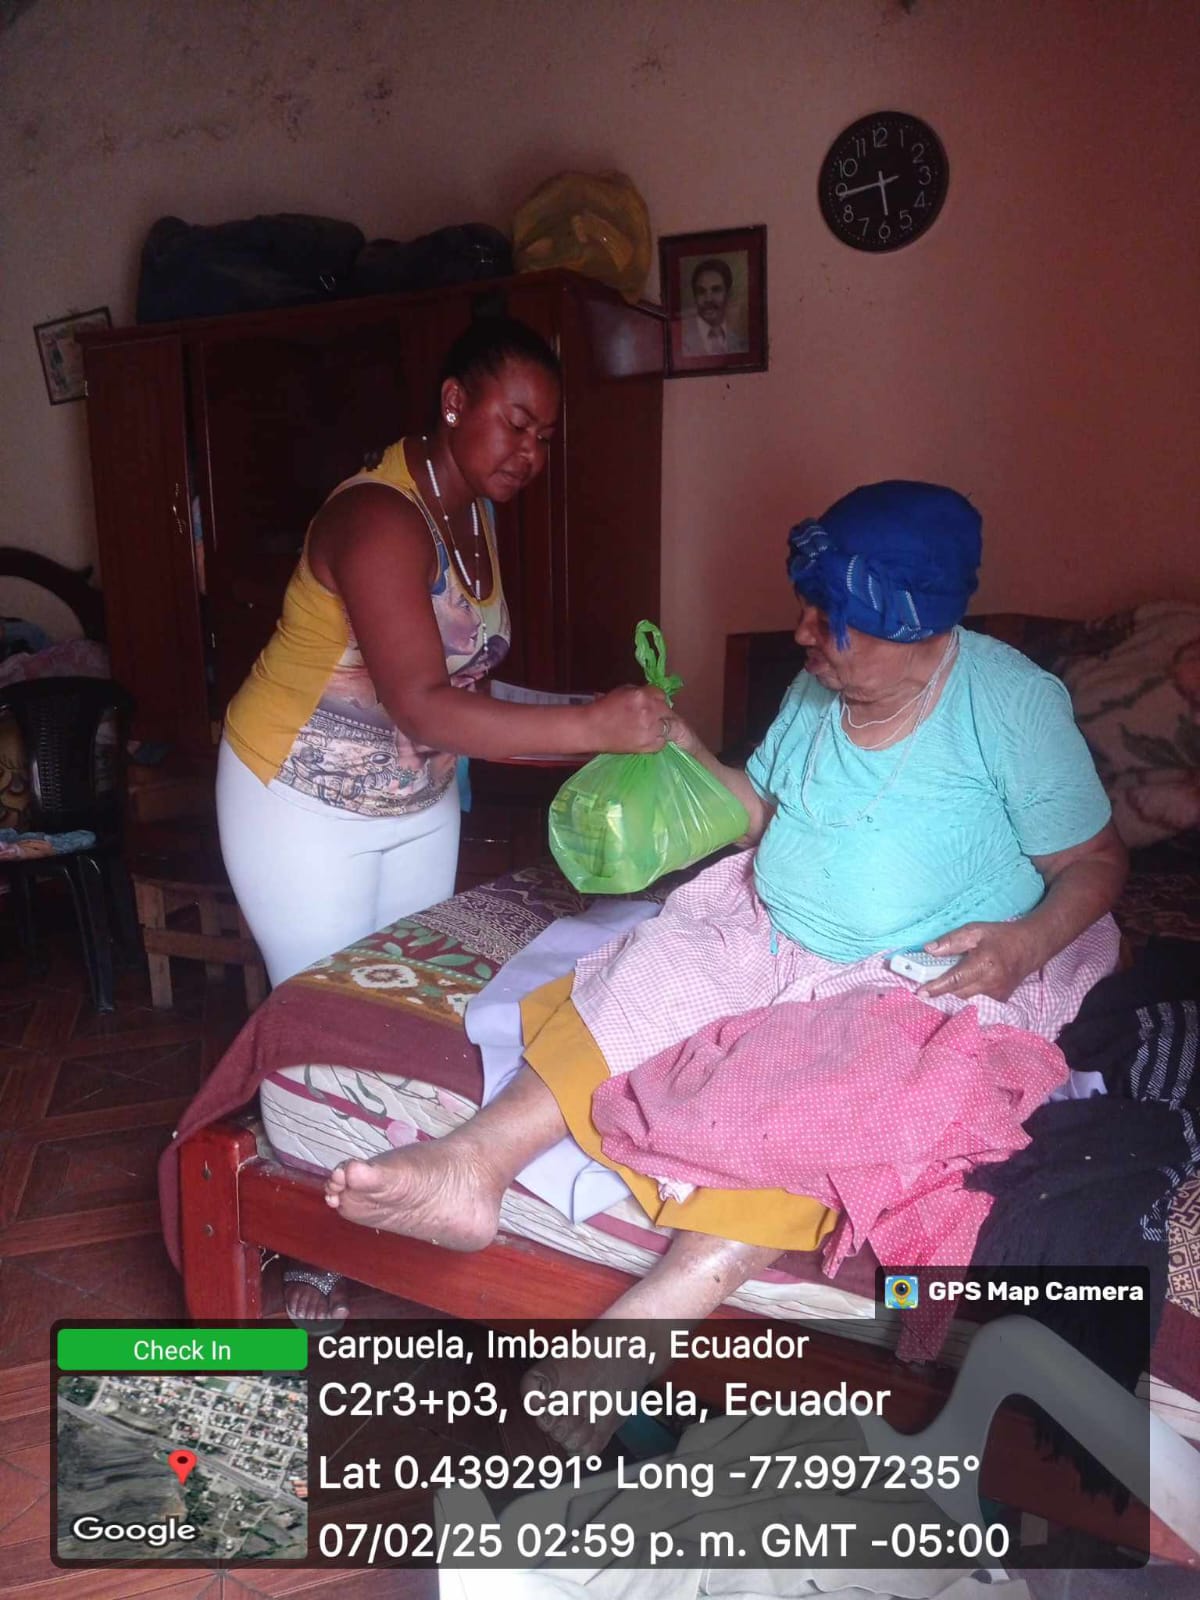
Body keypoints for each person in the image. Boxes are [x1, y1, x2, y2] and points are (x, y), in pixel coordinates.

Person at [320, 480, 1128, 1442]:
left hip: (917, 977)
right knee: (641, 978)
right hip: (769, 927)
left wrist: (1024, 944)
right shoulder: (818, 688)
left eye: (829, 621)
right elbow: (761, 814)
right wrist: (685, 751)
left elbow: (1095, 862)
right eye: (808, 608)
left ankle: (652, 1319)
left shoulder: (1012, 706)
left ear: (913, 625)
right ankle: (472, 1164)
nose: (802, 632)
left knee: (830, 1108)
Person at [216, 315, 672, 1327]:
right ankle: (318, 1249)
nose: (530, 452)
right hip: (296, 799)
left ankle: (392, 1202)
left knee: (405, 1020)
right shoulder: (379, 518)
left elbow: (467, 681)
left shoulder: (472, 516)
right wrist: (589, 726)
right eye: (515, 422)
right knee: (328, 1023)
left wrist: (591, 716)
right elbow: (423, 703)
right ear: (455, 402)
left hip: (416, 795)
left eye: (544, 436)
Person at [680, 256, 748, 357]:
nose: (708, 299)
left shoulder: (742, 344)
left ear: (728, 294)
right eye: (701, 291)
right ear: (695, 297)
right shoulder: (681, 343)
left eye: (716, 290)